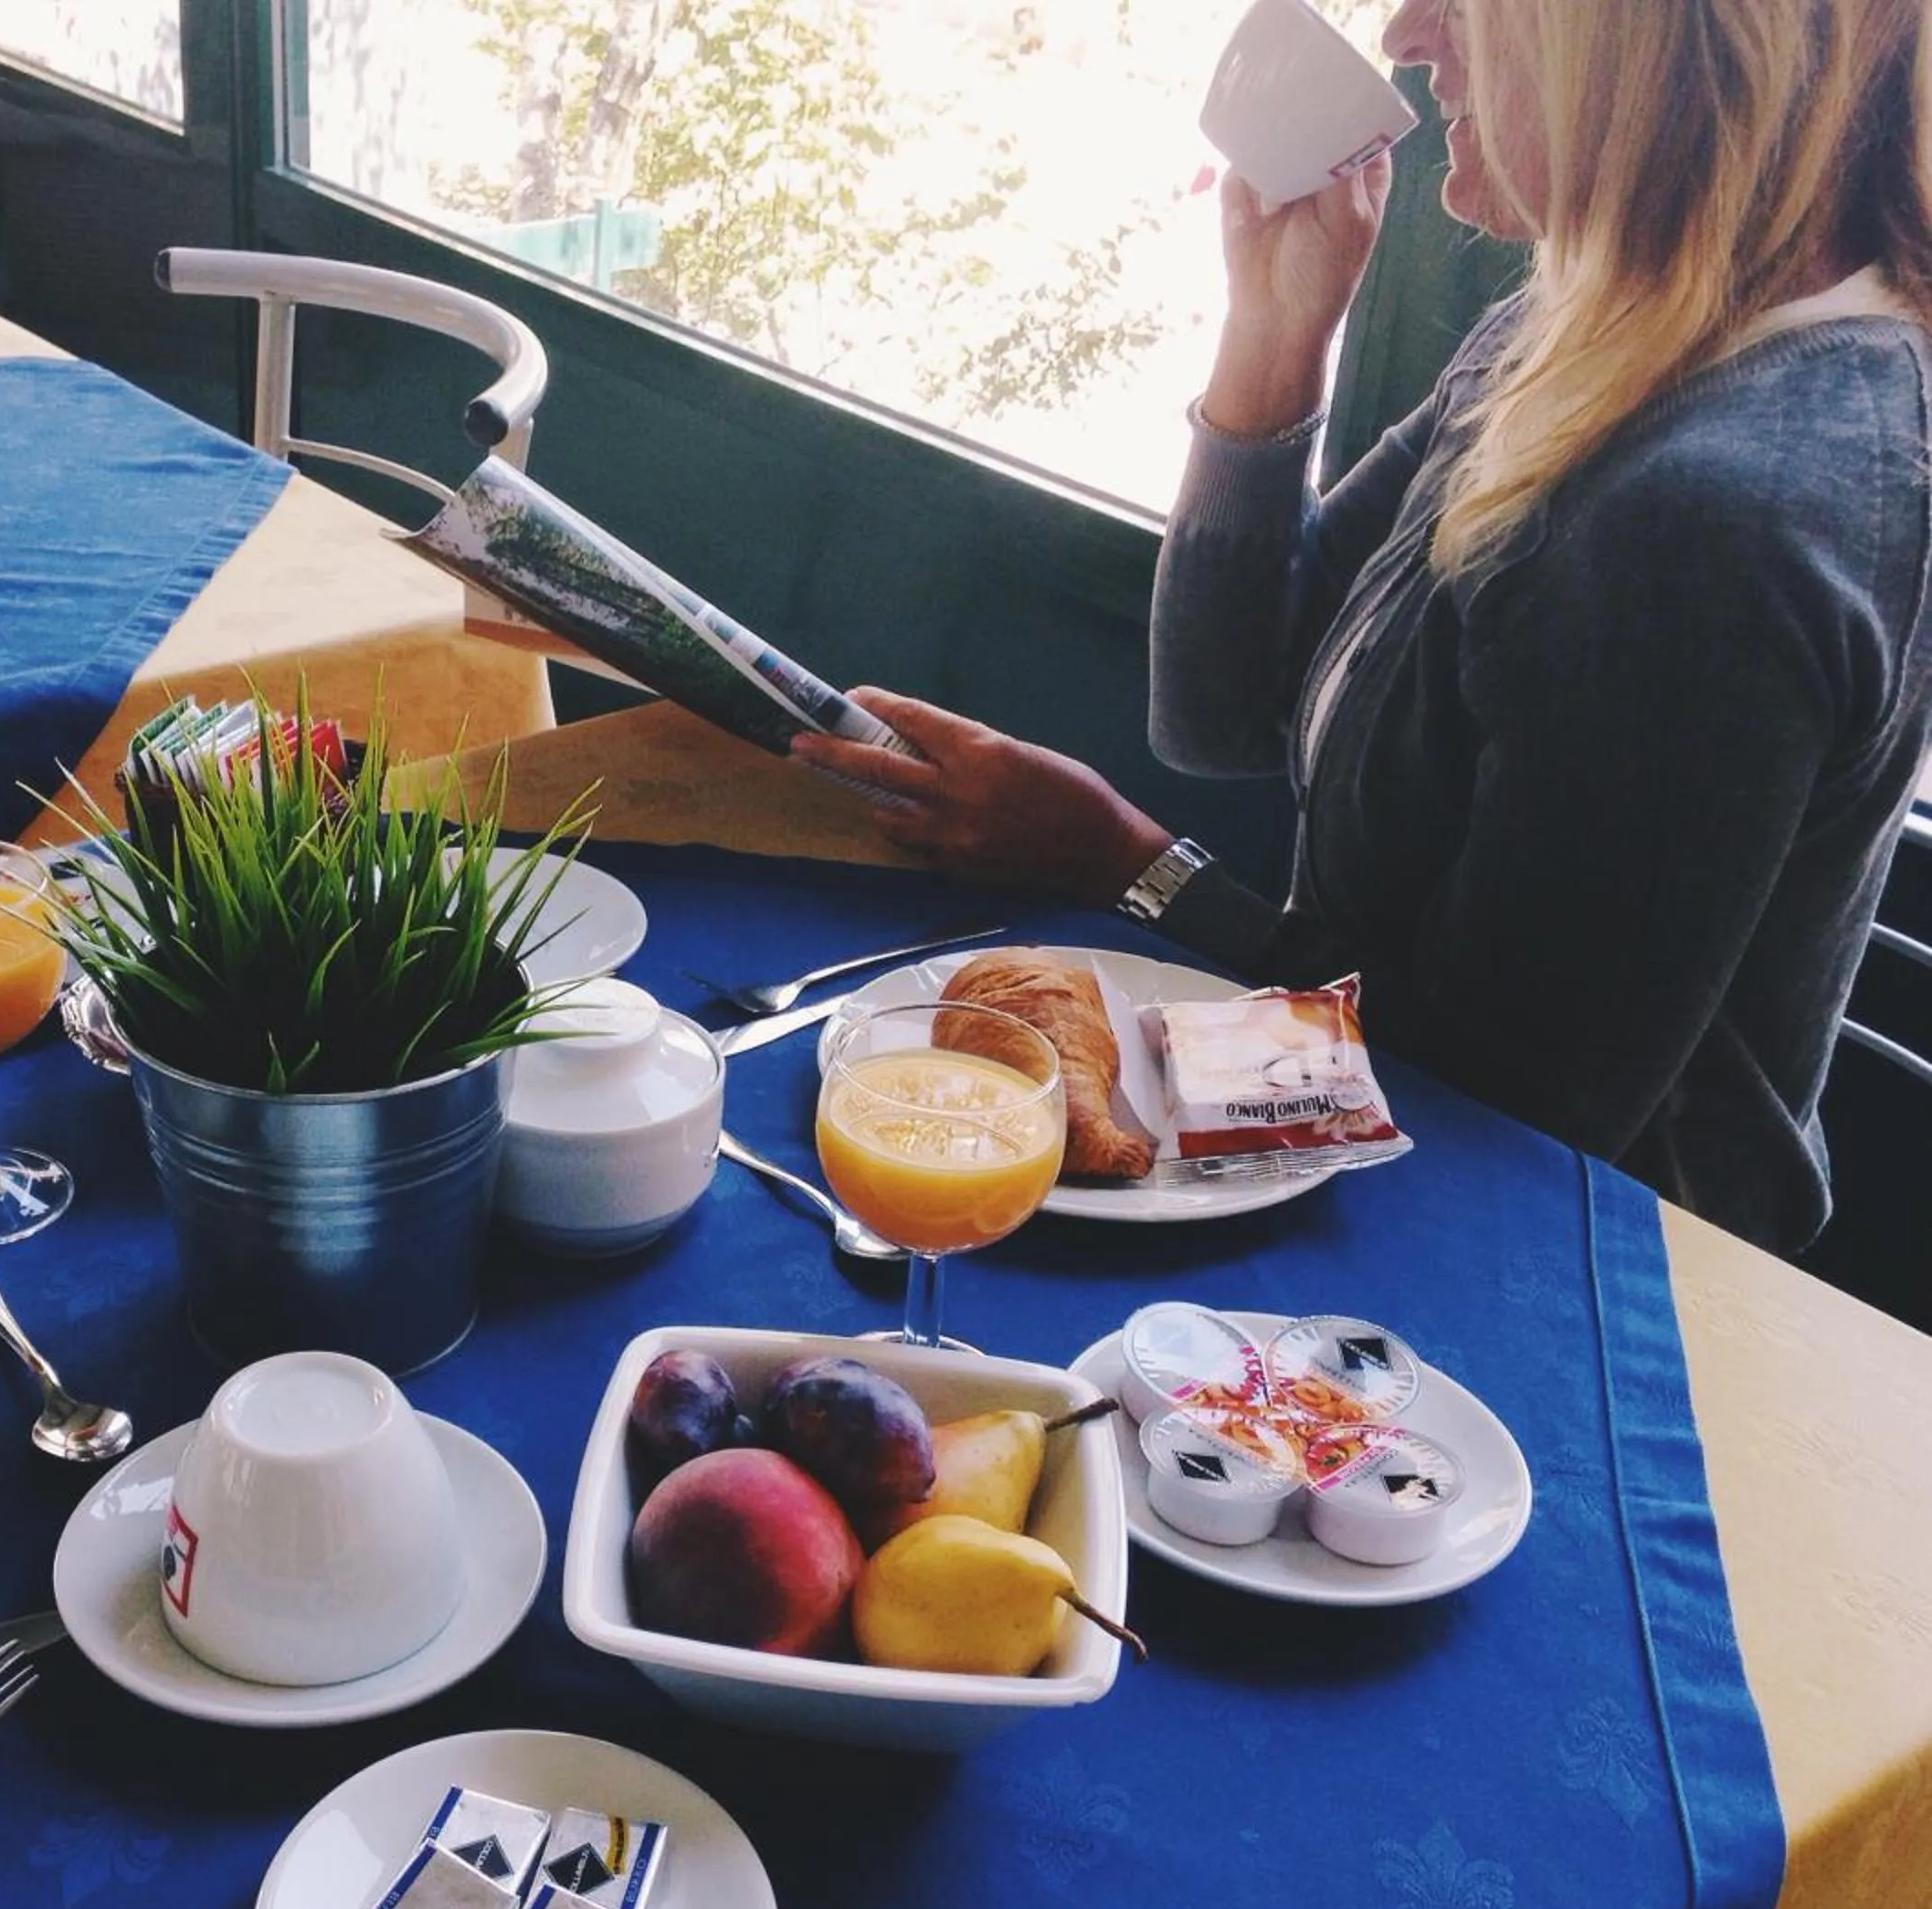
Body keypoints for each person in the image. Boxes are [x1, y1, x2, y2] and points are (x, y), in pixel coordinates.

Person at [795, 0, 1932, 1254]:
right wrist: (1275, 342)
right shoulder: (1589, 330)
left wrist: (1118, 861)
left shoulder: (1713, 519)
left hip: (1559, 1266)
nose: (1406, 32)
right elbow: (1224, 706)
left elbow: (1494, 1097)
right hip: (1378, 1145)